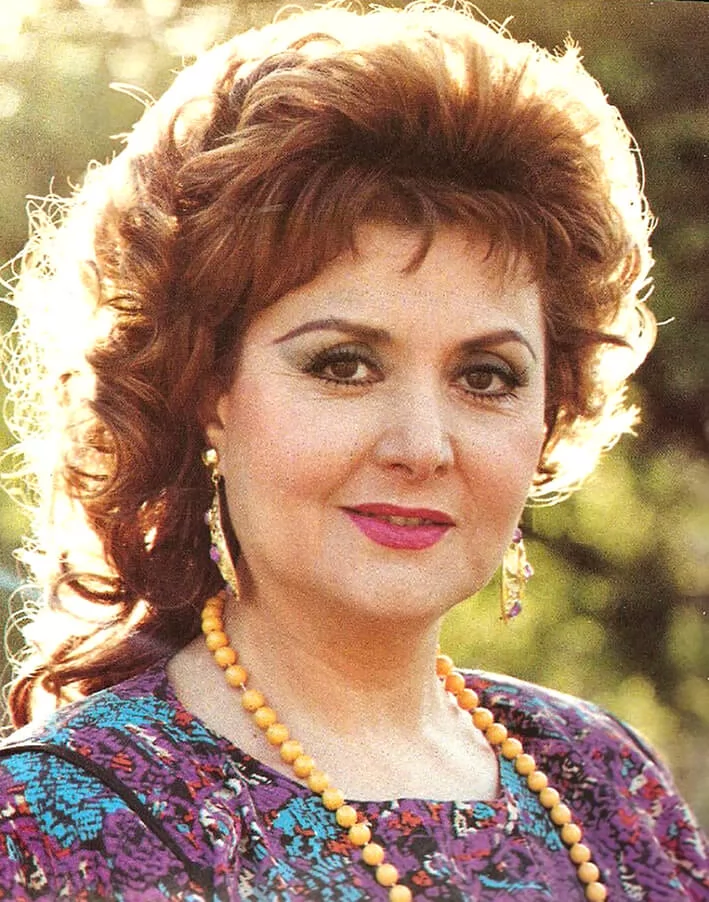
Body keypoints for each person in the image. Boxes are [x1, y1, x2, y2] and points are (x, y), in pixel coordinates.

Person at [0, 2, 707, 900]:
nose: (421, 446)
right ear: (207, 391)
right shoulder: (58, 823)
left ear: (549, 413)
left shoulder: (605, 785)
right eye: (343, 365)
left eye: (485, 376)